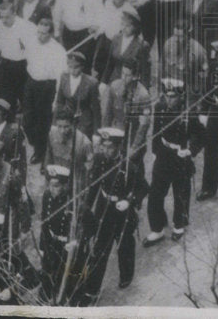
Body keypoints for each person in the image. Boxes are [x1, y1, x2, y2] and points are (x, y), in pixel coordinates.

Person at [80, 127, 148, 302]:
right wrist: (87, 206)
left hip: (123, 213)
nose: (106, 150)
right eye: (104, 146)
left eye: (110, 147)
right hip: (104, 209)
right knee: (99, 249)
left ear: (118, 147)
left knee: (125, 245)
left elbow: (143, 187)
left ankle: (126, 275)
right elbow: (95, 185)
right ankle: (92, 289)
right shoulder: (99, 160)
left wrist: (129, 201)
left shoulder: (130, 166)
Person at [144, 78, 205, 246]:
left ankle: (179, 225)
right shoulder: (160, 108)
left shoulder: (188, 113)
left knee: (181, 195)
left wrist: (191, 150)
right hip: (163, 155)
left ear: (181, 96)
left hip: (180, 157)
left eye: (173, 97)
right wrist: (155, 152)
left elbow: (201, 135)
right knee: (155, 194)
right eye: (166, 96)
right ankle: (157, 228)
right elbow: (156, 133)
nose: (169, 100)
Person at [22, 17, 67, 163]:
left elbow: (61, 77)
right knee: (27, 120)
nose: (40, 36)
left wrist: (56, 100)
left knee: (42, 122)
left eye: (44, 34)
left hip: (47, 87)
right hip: (31, 83)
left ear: (51, 34)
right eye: (39, 32)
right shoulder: (32, 42)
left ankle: (40, 152)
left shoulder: (58, 51)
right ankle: (36, 143)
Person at [38, 165, 84, 304]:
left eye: (56, 186)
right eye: (50, 185)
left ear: (65, 185)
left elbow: (90, 226)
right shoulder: (47, 196)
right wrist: (42, 245)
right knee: (48, 266)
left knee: (69, 272)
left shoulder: (75, 203)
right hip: (52, 240)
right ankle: (49, 289)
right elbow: (44, 222)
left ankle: (70, 295)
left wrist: (75, 243)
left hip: (68, 244)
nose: (52, 189)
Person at [52, 51, 101, 139]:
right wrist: (55, 123)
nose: (72, 70)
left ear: (82, 67)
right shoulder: (64, 77)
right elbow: (60, 102)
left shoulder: (91, 83)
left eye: (76, 67)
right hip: (67, 121)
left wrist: (96, 133)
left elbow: (96, 110)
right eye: (70, 67)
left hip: (84, 123)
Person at [43, 110, 94, 192]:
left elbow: (89, 168)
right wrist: (48, 179)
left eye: (66, 127)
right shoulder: (51, 134)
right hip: (57, 180)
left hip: (75, 182)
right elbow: (48, 158)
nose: (62, 131)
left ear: (72, 125)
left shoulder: (83, 142)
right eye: (59, 126)